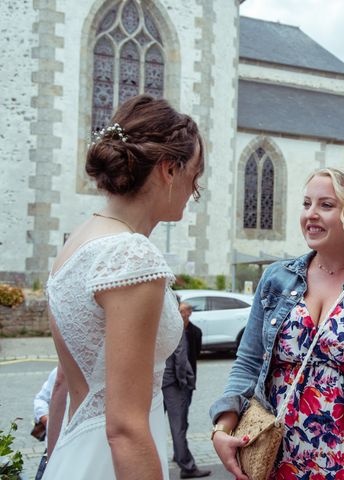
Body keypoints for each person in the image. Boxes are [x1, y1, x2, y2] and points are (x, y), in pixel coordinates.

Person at [210, 167, 344, 479]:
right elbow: (249, 361)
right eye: (307, 203)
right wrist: (222, 427)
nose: (311, 214)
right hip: (279, 453)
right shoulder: (276, 278)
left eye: (326, 205)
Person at [43, 94, 204, 480]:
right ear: (169, 169)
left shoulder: (81, 239)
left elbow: (67, 381)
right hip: (110, 463)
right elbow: (126, 428)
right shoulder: (131, 255)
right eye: (194, 174)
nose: (194, 188)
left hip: (75, 450)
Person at [163, 302, 210, 478]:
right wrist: (184, 382)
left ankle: (177, 455)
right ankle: (187, 466)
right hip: (173, 382)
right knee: (178, 425)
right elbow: (180, 356)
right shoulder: (173, 324)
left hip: (154, 381)